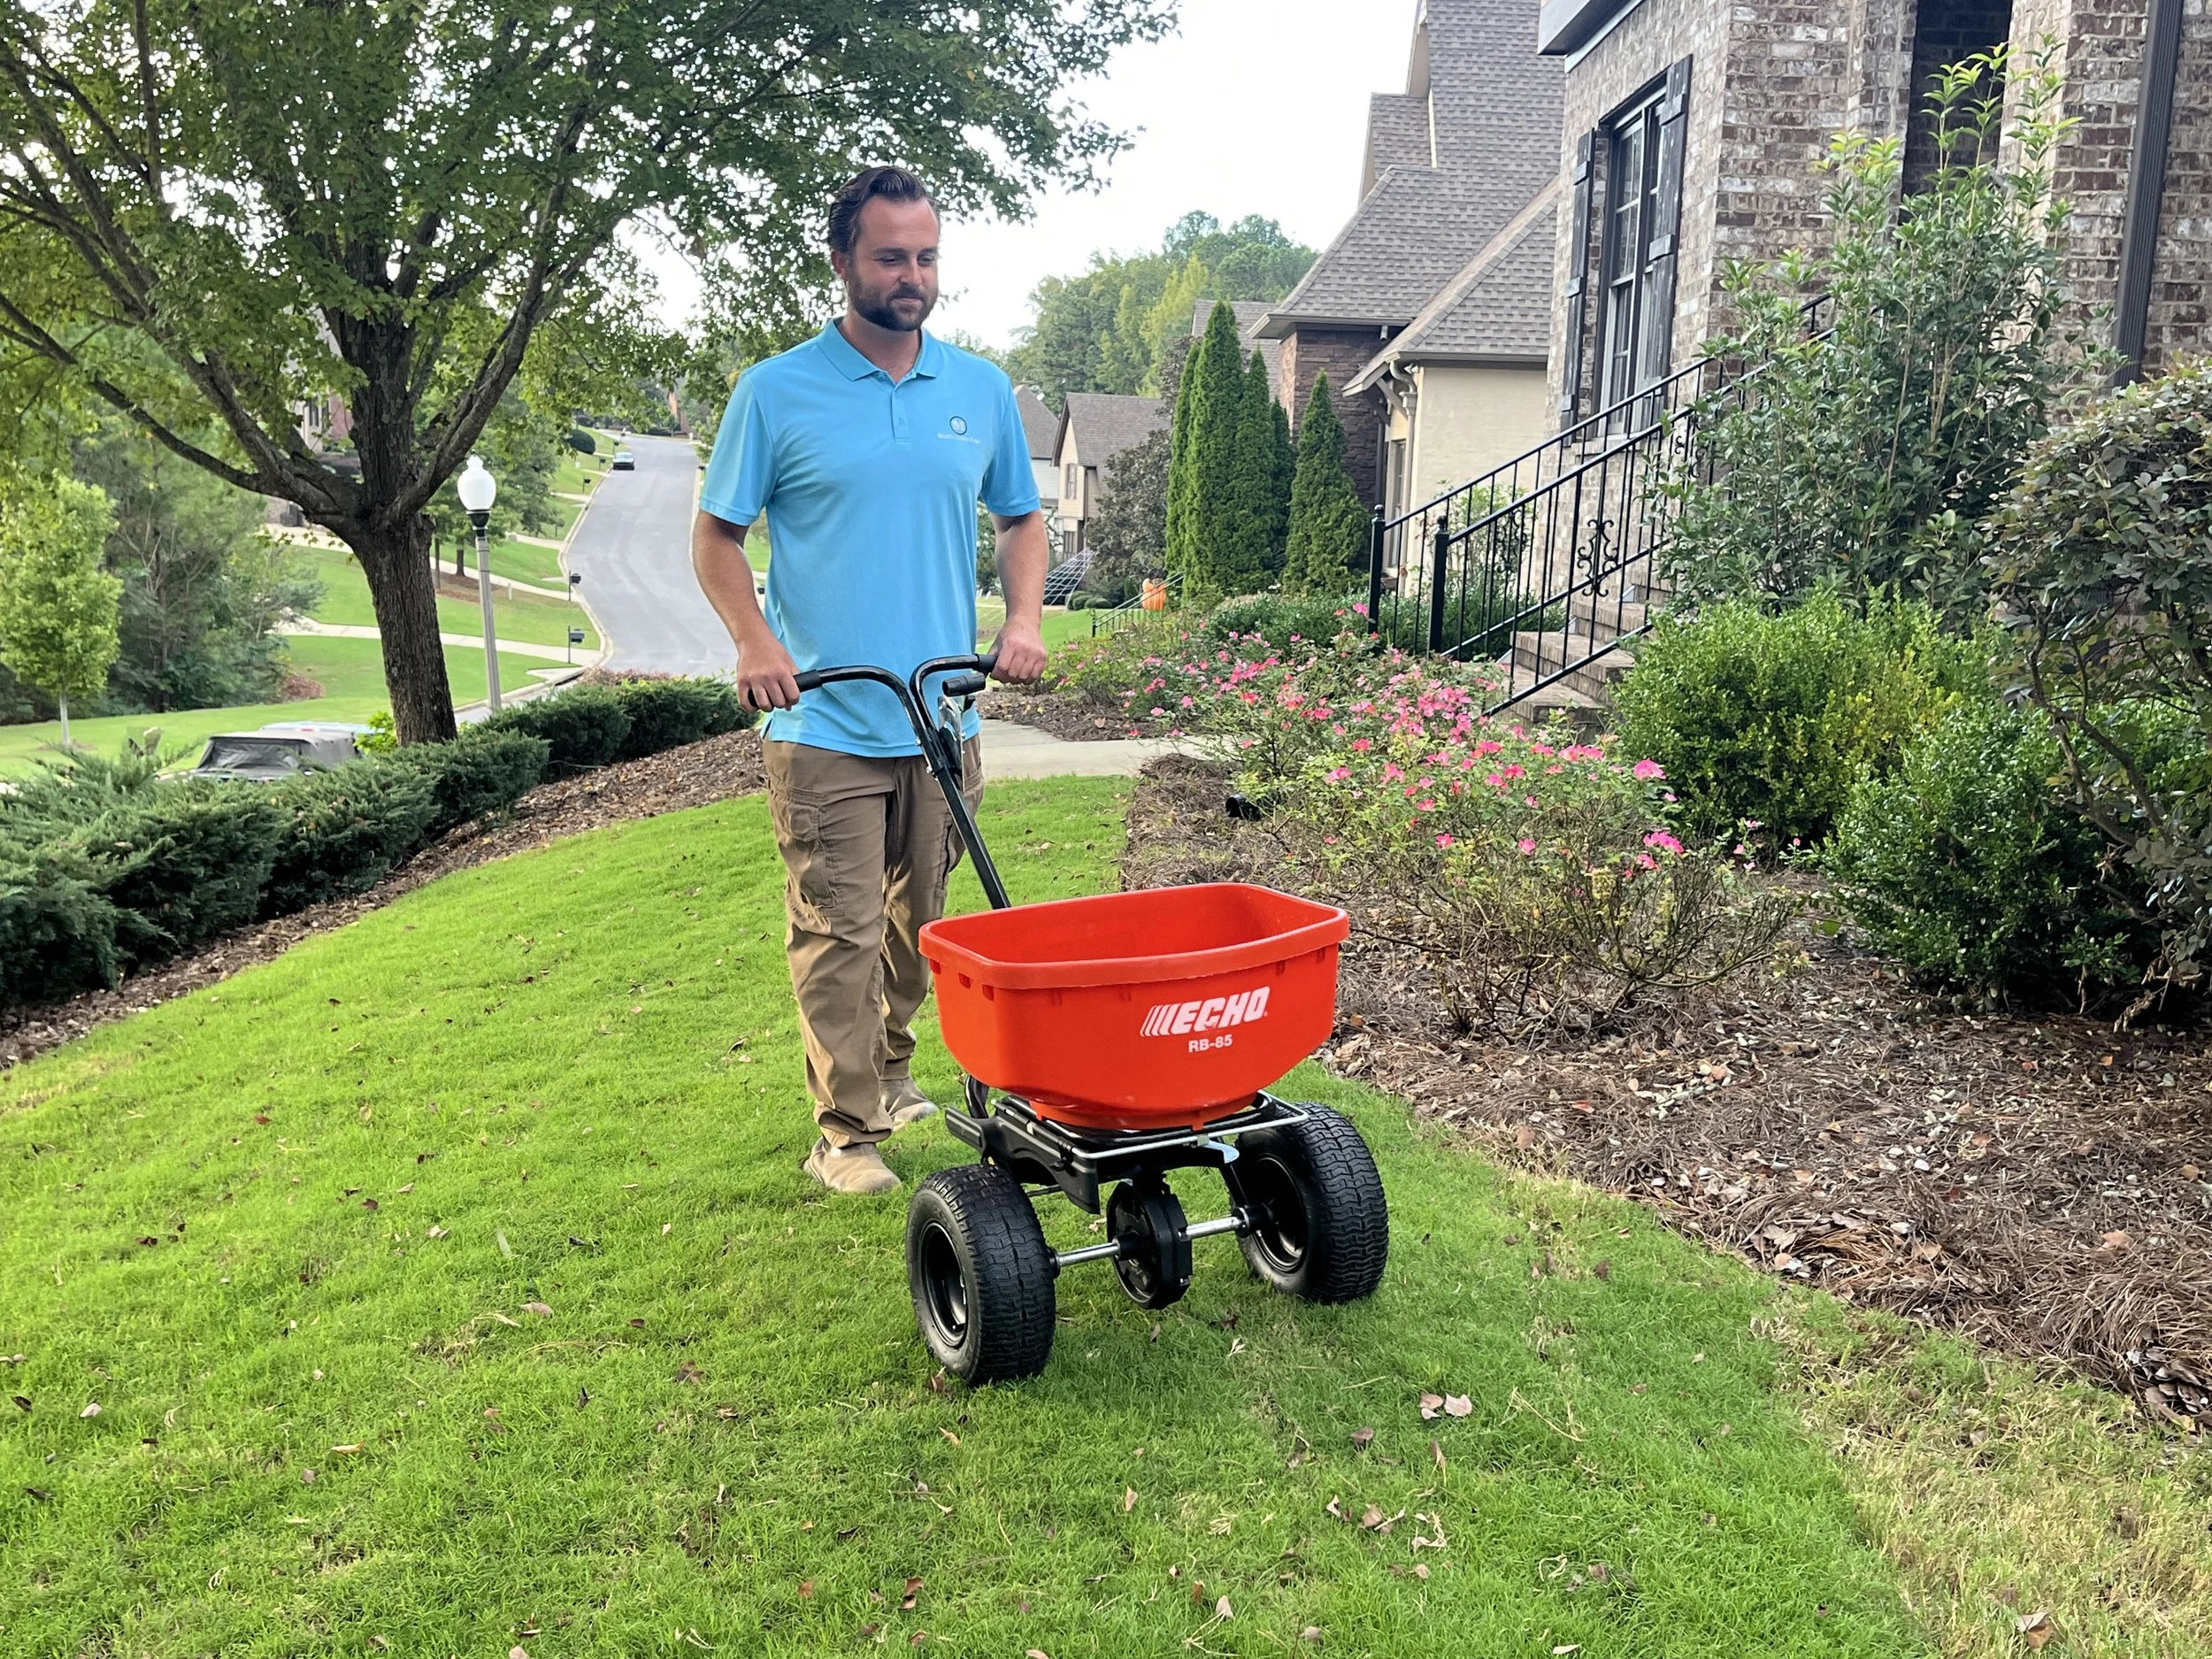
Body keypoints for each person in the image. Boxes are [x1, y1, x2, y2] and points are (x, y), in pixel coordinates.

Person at [691, 165, 1049, 1197]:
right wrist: (756, 642)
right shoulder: (775, 390)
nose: (912, 276)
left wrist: (1020, 619)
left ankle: (890, 1073)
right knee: (838, 927)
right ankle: (844, 1132)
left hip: (940, 712)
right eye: (891, 256)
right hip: (824, 719)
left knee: (921, 925)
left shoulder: (977, 388)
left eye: (927, 256)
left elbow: (1020, 516)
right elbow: (716, 536)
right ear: (842, 259)